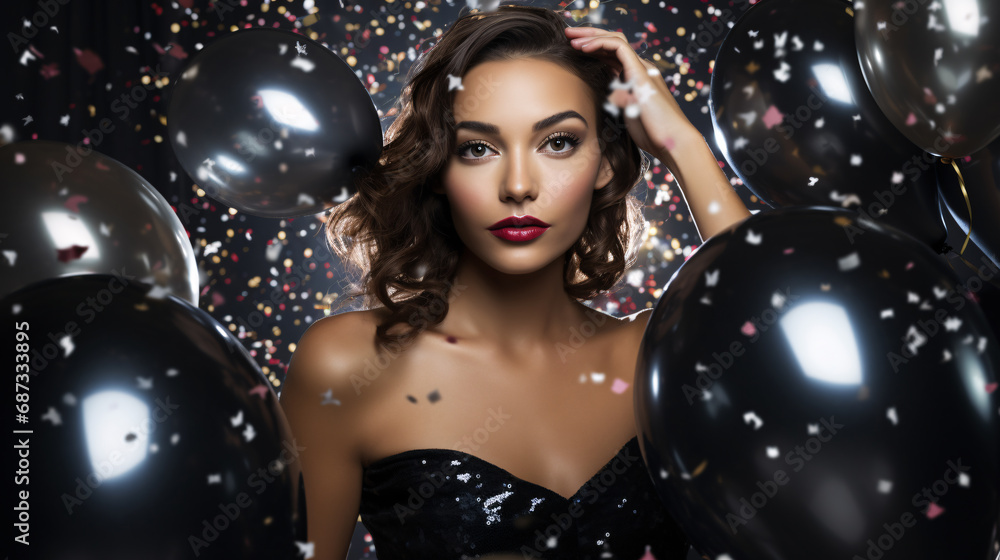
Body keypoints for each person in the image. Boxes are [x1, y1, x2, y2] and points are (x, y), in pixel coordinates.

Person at [279, 4, 751, 559]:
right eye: (478, 148)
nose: (519, 185)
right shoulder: (349, 365)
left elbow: (773, 338)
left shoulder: (654, 355)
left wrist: (681, 144)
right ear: (438, 168)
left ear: (605, 161)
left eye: (559, 142)